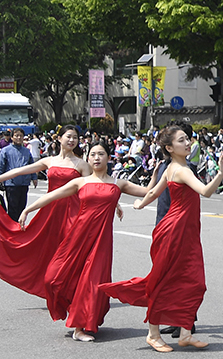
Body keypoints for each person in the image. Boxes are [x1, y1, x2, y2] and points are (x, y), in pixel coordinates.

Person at [101, 125, 223, 352]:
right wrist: (220, 173)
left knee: (192, 281)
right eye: (182, 140)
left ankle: (186, 333)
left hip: (183, 230)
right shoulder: (182, 170)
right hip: (176, 231)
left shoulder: (172, 167)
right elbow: (206, 192)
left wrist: (140, 204)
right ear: (169, 148)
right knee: (165, 280)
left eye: (187, 139)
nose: (188, 143)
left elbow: (153, 192)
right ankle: (153, 333)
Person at [27, 142, 150, 340]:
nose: (96, 158)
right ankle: (69, 307)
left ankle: (80, 326)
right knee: (52, 277)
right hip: (77, 237)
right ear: (88, 158)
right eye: (92, 154)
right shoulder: (81, 182)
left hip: (101, 241)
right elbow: (51, 196)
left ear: (109, 158)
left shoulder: (118, 184)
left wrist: (163, 175)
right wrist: (27, 210)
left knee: (91, 281)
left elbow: (149, 192)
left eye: (101, 154)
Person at [0, 125, 87, 298]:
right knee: (44, 247)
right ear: (59, 138)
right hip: (50, 210)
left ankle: (73, 290)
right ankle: (53, 287)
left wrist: (115, 204)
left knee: (70, 251)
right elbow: (20, 170)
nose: (72, 140)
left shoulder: (82, 164)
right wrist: (1, 177)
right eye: (68, 136)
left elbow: (94, 186)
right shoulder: (50, 161)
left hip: (73, 212)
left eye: (75, 137)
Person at [0, 129, 37, 221]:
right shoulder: (5, 151)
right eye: (16, 135)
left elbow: (31, 165)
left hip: (24, 182)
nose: (19, 137)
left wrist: (34, 178)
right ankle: (12, 229)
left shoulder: (26, 151)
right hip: (11, 183)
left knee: (22, 207)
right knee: (13, 208)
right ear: (12, 137)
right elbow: (1, 166)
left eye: (21, 135)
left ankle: (19, 227)